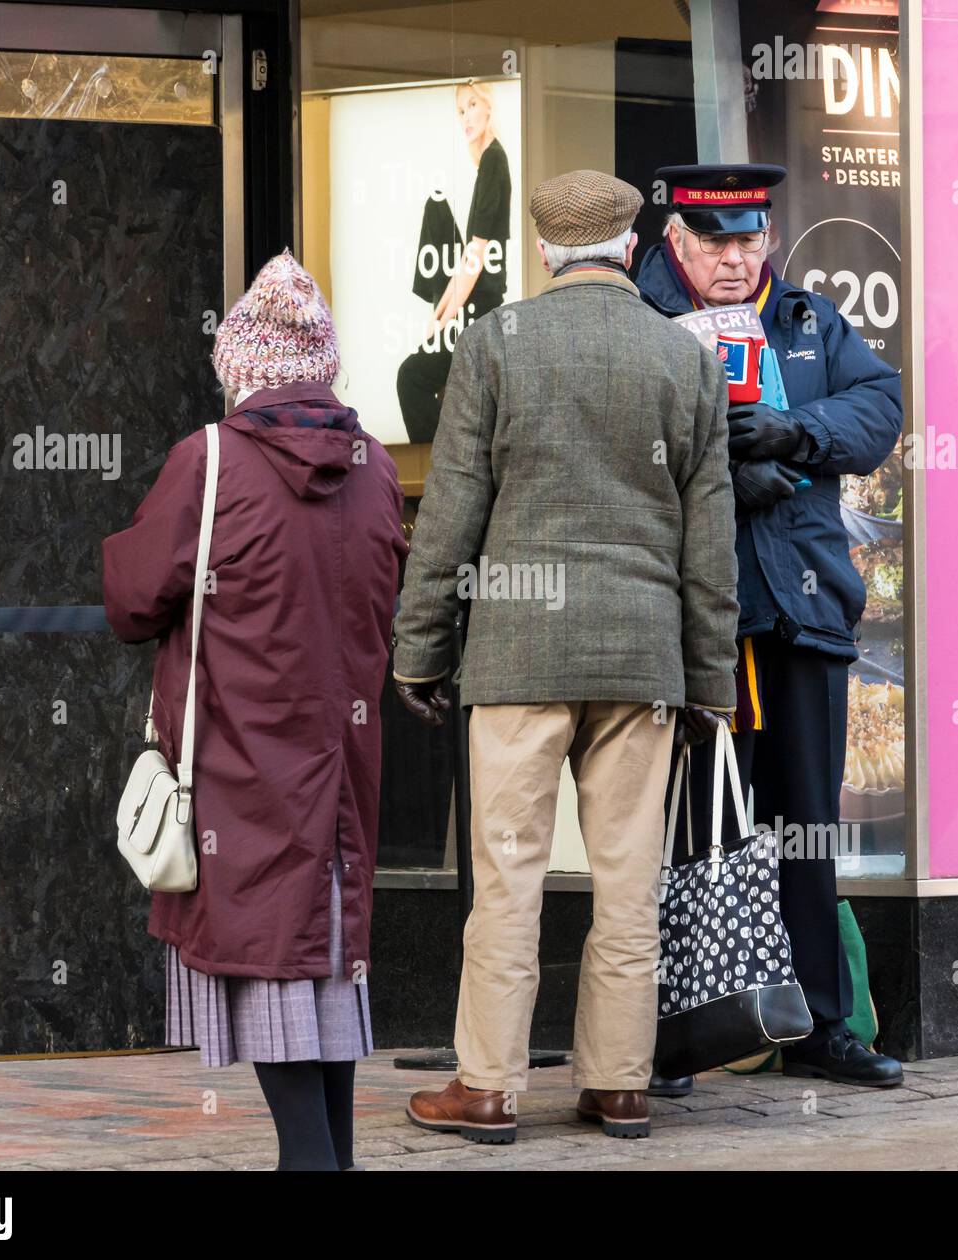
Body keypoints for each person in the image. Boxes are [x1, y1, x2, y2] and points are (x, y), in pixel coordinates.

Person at [392, 169, 738, 1142]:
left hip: (517, 657)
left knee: (508, 873)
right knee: (628, 879)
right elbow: (706, 546)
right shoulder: (683, 360)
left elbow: (452, 510)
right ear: (630, 248)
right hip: (642, 660)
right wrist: (710, 680)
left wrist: (419, 650)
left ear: (543, 252)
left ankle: (490, 1088)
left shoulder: (496, 343)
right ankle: (620, 1083)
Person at [102, 249, 408, 1170]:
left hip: (240, 766)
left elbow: (132, 599)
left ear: (240, 368)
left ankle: (311, 1164)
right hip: (342, 767)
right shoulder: (376, 467)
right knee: (325, 968)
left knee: (274, 959)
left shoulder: (212, 459)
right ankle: (332, 1162)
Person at [636, 163, 905, 1088]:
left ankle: (819, 1028)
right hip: (696, 623)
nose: (734, 258)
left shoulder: (804, 320)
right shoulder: (641, 321)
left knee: (807, 827)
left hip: (803, 614)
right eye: (716, 241)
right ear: (677, 240)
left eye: (750, 240)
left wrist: (795, 435)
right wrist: (714, 467)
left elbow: (880, 408)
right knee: (689, 831)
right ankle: (673, 1035)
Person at [397, 79, 512, 443]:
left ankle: (436, 456)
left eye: (472, 106)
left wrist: (440, 322)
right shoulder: (488, 162)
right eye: (461, 111)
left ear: (488, 107)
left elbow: (475, 259)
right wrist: (438, 318)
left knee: (411, 376)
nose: (465, 117)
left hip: (479, 310)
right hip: (473, 306)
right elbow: (467, 259)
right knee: (436, 206)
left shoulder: (494, 160)